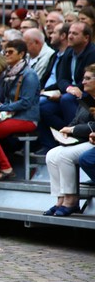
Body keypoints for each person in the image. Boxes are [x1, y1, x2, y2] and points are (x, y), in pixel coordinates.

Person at [0, 40, 41, 180]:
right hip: (11, 116)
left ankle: (5, 167)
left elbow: (26, 103)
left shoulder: (29, 75)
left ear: (21, 54)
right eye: (5, 52)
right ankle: (2, 165)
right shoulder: (9, 74)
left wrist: (1, 107)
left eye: (10, 52)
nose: (6, 55)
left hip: (26, 118)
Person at [44, 66, 95, 217]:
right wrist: (66, 130)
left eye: (87, 78)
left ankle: (71, 200)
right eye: (83, 78)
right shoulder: (86, 98)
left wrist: (73, 130)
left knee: (64, 156)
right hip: (80, 139)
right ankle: (60, 198)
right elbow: (76, 120)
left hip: (89, 140)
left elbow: (92, 125)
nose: (82, 82)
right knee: (52, 155)